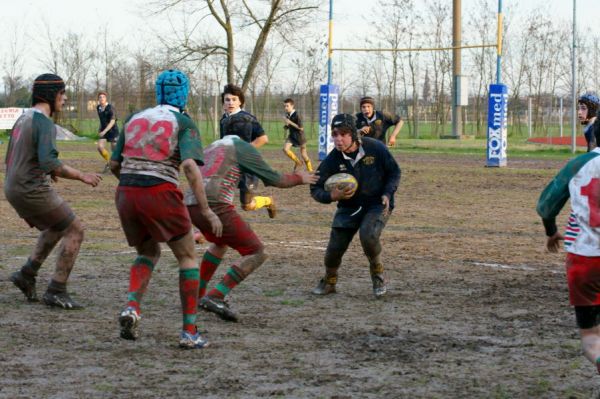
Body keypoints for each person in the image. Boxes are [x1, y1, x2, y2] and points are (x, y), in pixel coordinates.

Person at [110, 69, 222, 349]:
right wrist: (206, 211)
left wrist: (134, 187)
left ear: (158, 92)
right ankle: (189, 332)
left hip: (125, 192)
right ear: (184, 94)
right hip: (159, 191)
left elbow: (114, 165)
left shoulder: (134, 118)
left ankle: (132, 306)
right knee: (187, 256)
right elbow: (188, 167)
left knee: (148, 251)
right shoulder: (183, 122)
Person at [185, 131, 318, 322]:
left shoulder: (212, 146)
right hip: (216, 206)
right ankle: (216, 295)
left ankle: (197, 294)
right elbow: (274, 179)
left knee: (220, 243)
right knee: (257, 252)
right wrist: (300, 178)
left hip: (191, 204)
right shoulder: (241, 147)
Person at [5, 73, 102, 309]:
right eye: (62, 93)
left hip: (13, 186)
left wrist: (43, 171)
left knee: (57, 224)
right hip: (30, 187)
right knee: (75, 229)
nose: (65, 98)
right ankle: (57, 290)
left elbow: (15, 155)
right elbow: (50, 162)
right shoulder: (44, 122)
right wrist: (82, 176)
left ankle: (27, 274)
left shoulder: (24, 117)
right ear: (51, 95)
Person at [310, 113, 400, 298]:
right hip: (349, 207)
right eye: (334, 134)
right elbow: (315, 188)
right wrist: (330, 196)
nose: (338, 139)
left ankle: (378, 275)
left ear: (353, 134)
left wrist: (387, 193)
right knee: (334, 249)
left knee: (368, 235)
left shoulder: (375, 147)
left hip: (377, 204)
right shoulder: (333, 159)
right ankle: (329, 281)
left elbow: (394, 172)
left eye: (343, 134)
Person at [537, 114, 600, 375]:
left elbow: (545, 206)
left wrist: (551, 232)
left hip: (584, 258)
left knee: (591, 337)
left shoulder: (578, 164)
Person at [219, 83, 276, 218]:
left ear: (240, 102)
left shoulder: (248, 119)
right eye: (227, 100)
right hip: (229, 166)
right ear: (223, 103)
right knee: (217, 197)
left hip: (247, 167)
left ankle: (268, 201)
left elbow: (263, 138)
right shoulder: (223, 120)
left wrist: (244, 152)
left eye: (234, 99)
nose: (231, 102)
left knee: (247, 205)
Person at [282, 98, 313, 172]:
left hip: (300, 137)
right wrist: (286, 126)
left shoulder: (297, 115)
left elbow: (301, 128)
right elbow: (289, 125)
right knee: (285, 149)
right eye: (284, 106)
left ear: (292, 106)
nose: (285, 108)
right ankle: (298, 162)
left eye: (287, 106)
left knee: (304, 155)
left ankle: (310, 169)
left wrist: (289, 122)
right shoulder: (287, 114)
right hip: (292, 136)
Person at [96, 91, 119, 173]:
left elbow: (112, 121)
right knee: (99, 147)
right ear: (98, 99)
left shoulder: (110, 108)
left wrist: (104, 131)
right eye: (100, 97)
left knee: (115, 150)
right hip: (103, 130)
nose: (101, 98)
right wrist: (100, 128)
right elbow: (102, 120)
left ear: (106, 99)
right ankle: (109, 163)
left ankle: (119, 166)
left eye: (103, 97)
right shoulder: (98, 107)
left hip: (113, 130)